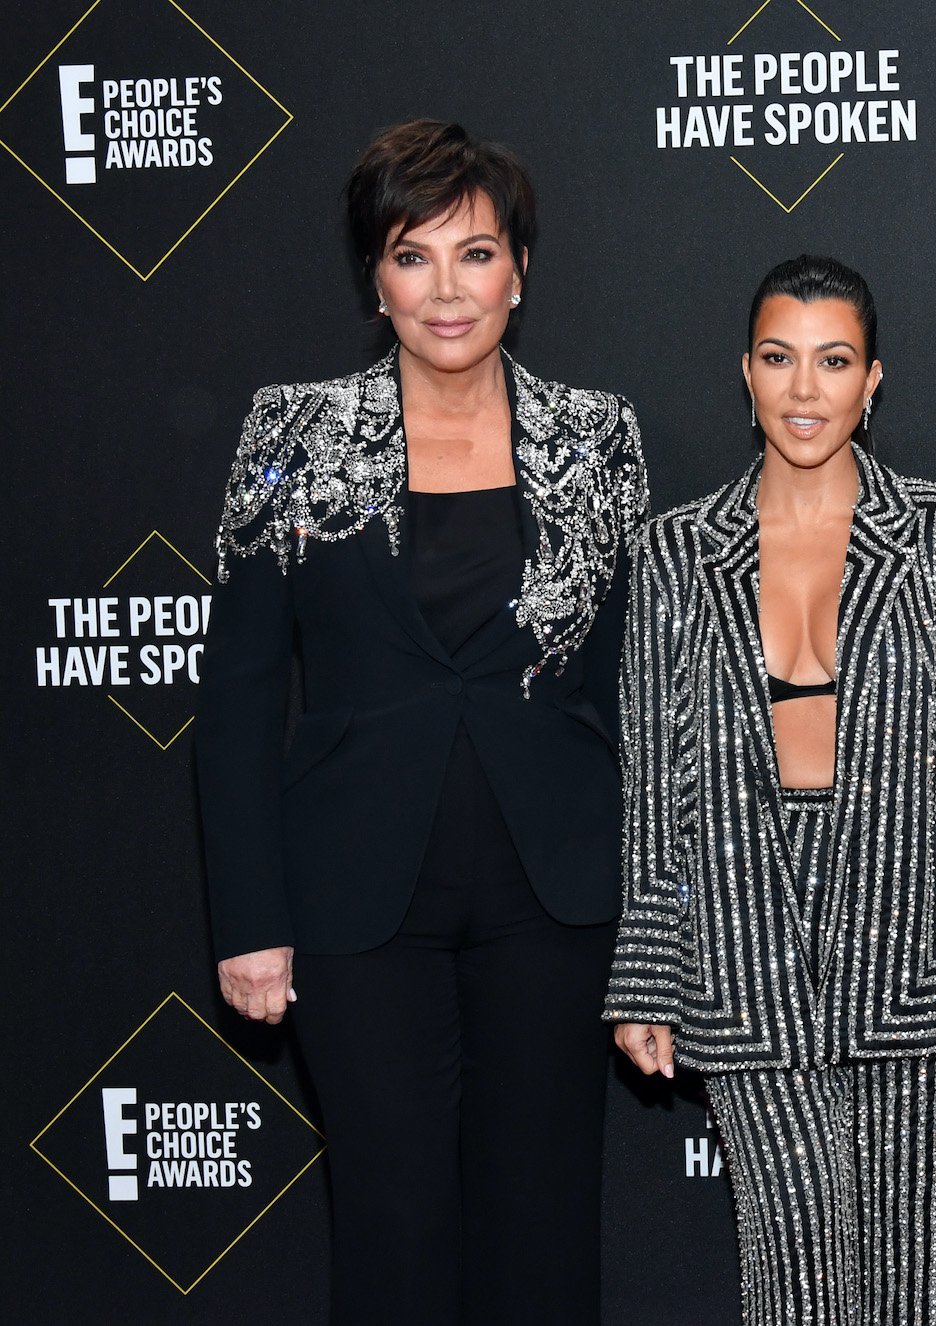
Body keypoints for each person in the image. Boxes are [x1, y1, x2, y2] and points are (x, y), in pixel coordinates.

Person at [197, 119, 649, 1323]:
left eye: (476, 253)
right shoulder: (290, 436)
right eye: (413, 256)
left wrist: (658, 924)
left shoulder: (597, 438)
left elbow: (634, 693)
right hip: (355, 901)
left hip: (553, 895)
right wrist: (250, 920)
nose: (447, 290)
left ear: (519, 272)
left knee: (544, 1226)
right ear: (374, 276)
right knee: (391, 1227)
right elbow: (239, 695)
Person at [606, 255, 936, 1326]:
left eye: (832, 361)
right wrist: (651, 966)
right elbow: (659, 780)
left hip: (918, 943)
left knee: (913, 1288)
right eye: (778, 359)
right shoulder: (672, 553)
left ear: (872, 380)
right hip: (744, 943)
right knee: (790, 1278)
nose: (804, 391)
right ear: (743, 375)